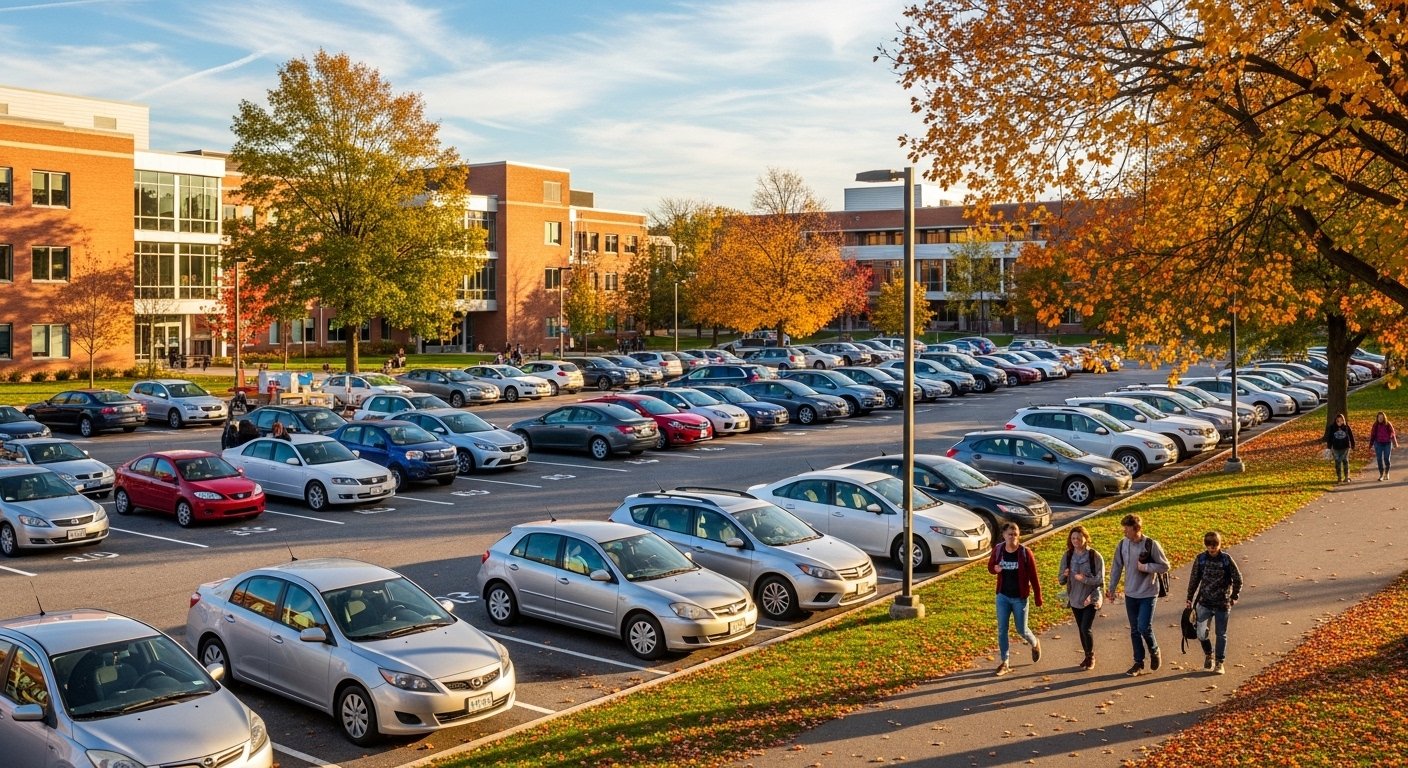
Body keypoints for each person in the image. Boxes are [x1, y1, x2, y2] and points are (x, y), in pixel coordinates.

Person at [1108, 513, 1170, 676]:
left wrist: (1147, 568)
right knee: (1135, 629)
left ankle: (1154, 650)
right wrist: (1111, 588)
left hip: (1148, 592)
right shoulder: (1122, 545)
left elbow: (1164, 566)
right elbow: (1116, 567)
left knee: (1144, 626)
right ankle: (1138, 663)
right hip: (1130, 593)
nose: (1124, 532)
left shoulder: (1151, 545)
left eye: (1127, 529)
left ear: (1136, 529)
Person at [987, 522, 1043, 676]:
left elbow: (1034, 576)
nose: (1012, 537)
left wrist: (1038, 596)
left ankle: (1034, 642)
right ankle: (1005, 661)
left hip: (1020, 598)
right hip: (1003, 597)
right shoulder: (998, 550)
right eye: (1009, 534)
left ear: (1019, 536)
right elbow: (990, 566)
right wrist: (995, 569)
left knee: (1021, 629)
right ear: (1004, 535)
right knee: (1002, 630)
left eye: (1015, 534)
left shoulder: (1025, 553)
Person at [1186, 530, 1243, 675]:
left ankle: (1219, 662)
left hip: (1222, 603)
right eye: (1208, 544)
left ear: (1220, 544)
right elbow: (1194, 579)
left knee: (1221, 634)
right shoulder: (1201, 559)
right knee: (1201, 633)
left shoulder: (1226, 559)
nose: (1211, 547)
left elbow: (1238, 579)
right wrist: (1189, 597)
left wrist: (1234, 596)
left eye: (1214, 544)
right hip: (1204, 602)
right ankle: (1208, 654)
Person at [1058, 525, 1105, 670]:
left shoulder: (1094, 556)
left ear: (1085, 538)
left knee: (1086, 628)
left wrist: (1083, 579)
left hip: (1090, 598)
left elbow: (1100, 580)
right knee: (1081, 628)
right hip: (1075, 598)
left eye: (1079, 537)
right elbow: (1060, 580)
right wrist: (1065, 575)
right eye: (1073, 538)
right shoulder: (1068, 556)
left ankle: (1090, 657)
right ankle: (1086, 655)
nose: (1076, 540)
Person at [1323, 412, 1356, 483]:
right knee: (1337, 462)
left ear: (1343, 420)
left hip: (1345, 447)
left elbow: (1351, 436)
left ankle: (1347, 477)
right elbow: (1330, 437)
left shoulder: (1346, 427)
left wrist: (1353, 444)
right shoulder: (1332, 427)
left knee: (1345, 461)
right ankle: (1339, 477)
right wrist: (1329, 446)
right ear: (1336, 420)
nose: (1340, 422)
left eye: (1341, 420)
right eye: (1338, 420)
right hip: (1336, 448)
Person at [1369, 411, 1398, 481]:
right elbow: (1372, 435)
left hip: (1387, 443)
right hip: (1378, 444)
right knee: (1379, 459)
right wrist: (1370, 444)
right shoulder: (1375, 425)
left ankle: (1386, 472)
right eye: (1379, 417)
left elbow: (1392, 433)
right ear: (1377, 418)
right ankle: (1381, 474)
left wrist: (1394, 443)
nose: (1380, 419)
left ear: (1384, 418)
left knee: (1386, 458)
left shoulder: (1388, 424)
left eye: (1382, 417)